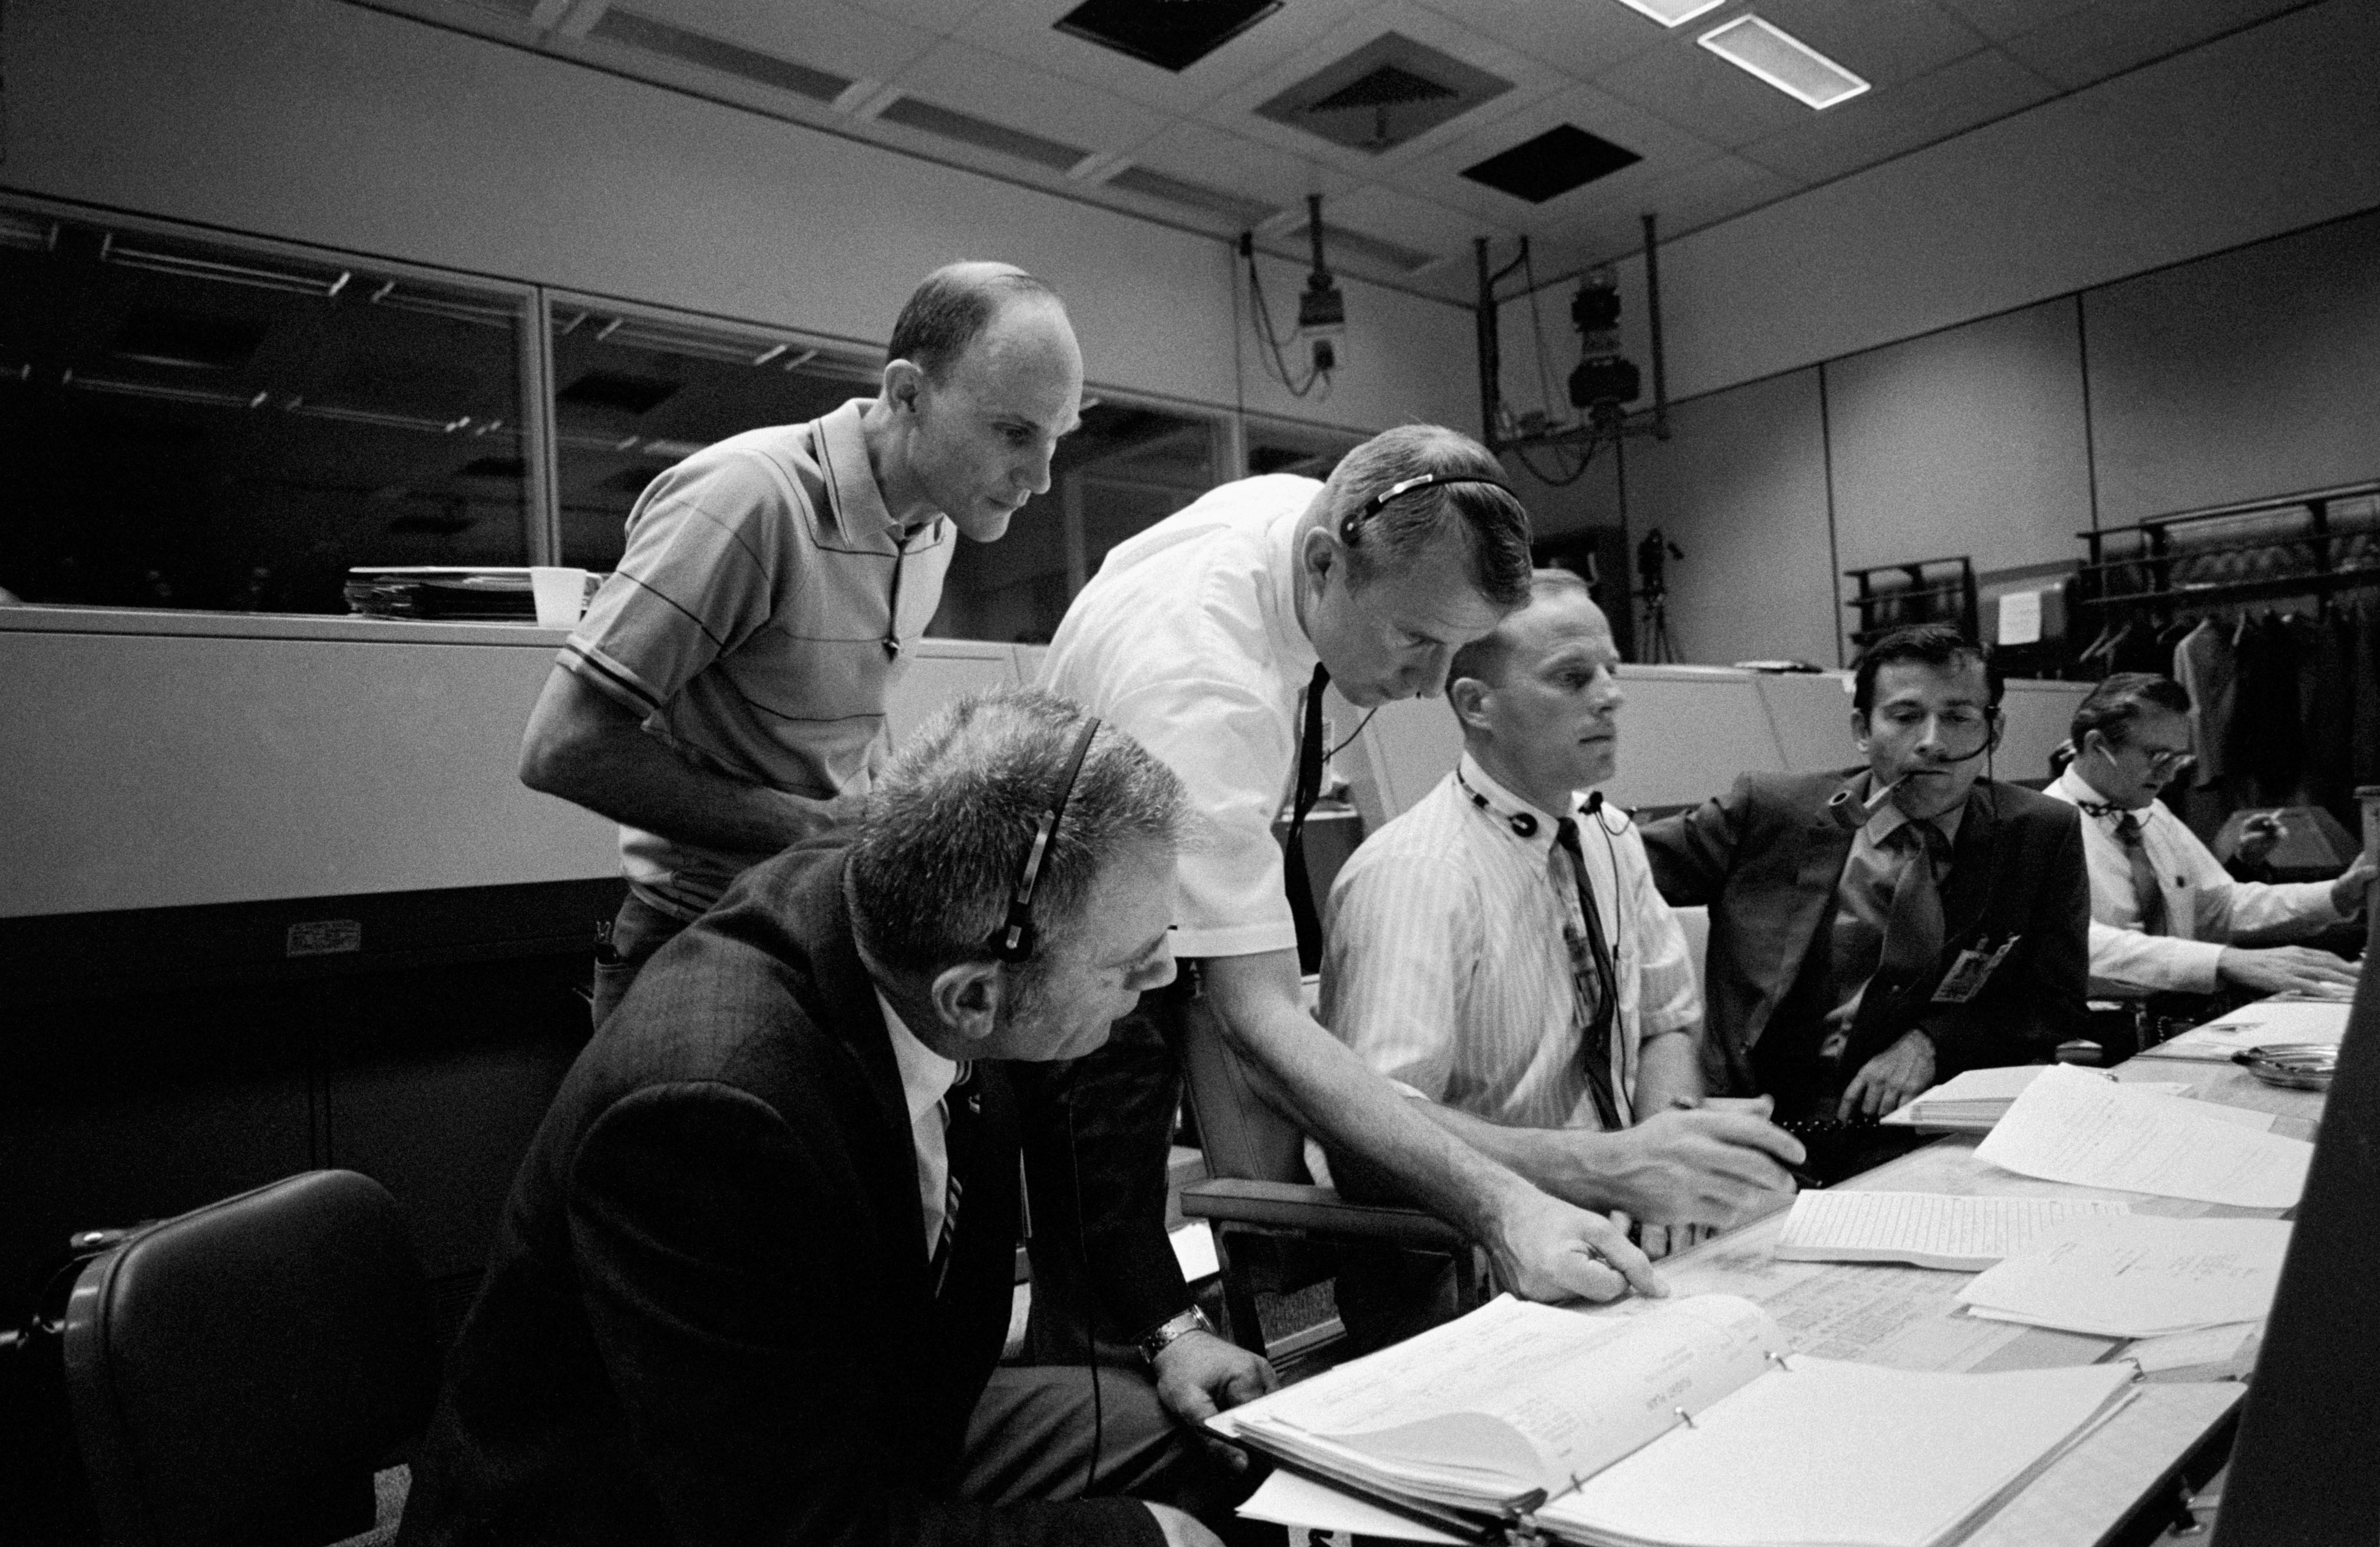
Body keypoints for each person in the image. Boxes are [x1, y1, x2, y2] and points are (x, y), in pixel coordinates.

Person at [400, 690, 1275, 1547]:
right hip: (646, 1510)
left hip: (860, 1417)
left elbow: (1062, 1123)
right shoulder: (708, 1116)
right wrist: (1123, 1537)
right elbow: (791, 1526)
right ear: (971, 999)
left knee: (1195, 1445)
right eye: (1128, 963)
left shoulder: (919, 916)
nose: (1160, 977)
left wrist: (1170, 1333)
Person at [1036, 425, 1804, 1311]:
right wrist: (1518, 1203)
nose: (1430, 683)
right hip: (1071, 956)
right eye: (1415, 639)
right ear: (1323, 565)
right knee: (1104, 1288)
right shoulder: (1201, 691)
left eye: (1457, 646)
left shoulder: (1308, 528)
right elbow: (1254, 1021)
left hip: (1118, 875)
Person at [517, 262, 1084, 1029]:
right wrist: (815, 829)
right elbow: (561, 747)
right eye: (1015, 432)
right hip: (695, 938)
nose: (1042, 476)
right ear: (907, 393)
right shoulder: (747, 499)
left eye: (1056, 437)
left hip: (813, 919)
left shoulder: (933, 523)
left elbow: (839, 718)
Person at [1319, 574, 1797, 1343]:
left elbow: (1666, 1022)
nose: (1609, 696)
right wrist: (1611, 1167)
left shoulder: (1607, 832)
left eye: (1610, 670)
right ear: (1476, 705)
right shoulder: (1413, 874)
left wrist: (1666, 1150)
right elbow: (1373, 1139)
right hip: (1481, 1266)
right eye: (1574, 677)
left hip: (1621, 1227)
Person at [1640, 624, 2091, 1181]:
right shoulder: (1769, 812)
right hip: (1755, 1125)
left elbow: (2056, 1002)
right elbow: (1616, 875)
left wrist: (1932, 1042)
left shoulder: (2039, 833)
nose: (1931, 741)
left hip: (1927, 1132)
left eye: (1957, 717)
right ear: (1862, 729)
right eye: (1904, 718)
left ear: (1993, 730)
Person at [2042, 672, 2369, 1001]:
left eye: (2178, 759)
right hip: (2089, 1029)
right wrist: (2220, 960)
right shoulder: (2043, 825)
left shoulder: (2151, 814)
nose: (2169, 775)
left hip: (2172, 1019)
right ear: (2096, 745)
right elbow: (2072, 942)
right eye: (2157, 757)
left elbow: (2220, 906)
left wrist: (2335, 897)